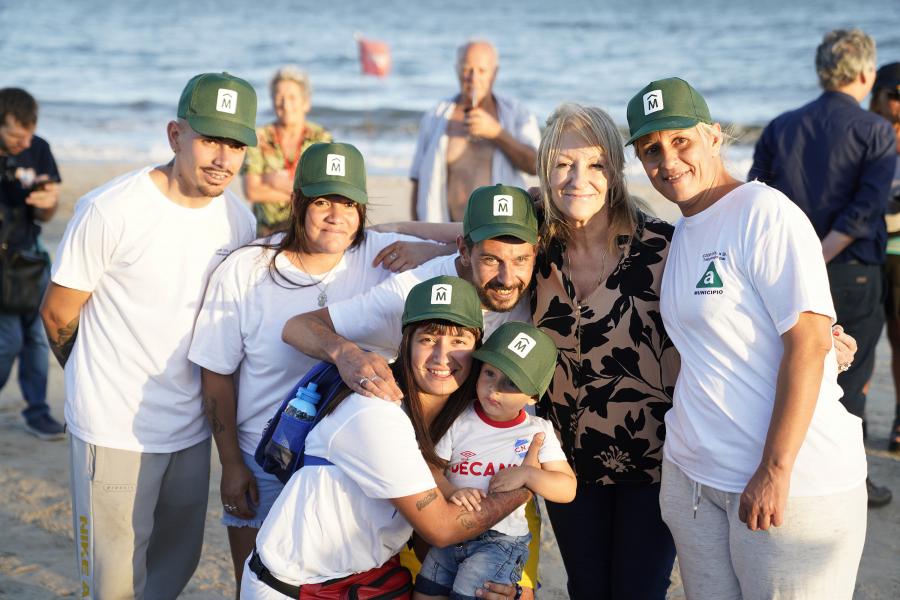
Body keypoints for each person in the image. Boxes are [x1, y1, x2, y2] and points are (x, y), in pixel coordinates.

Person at [629, 76, 868, 598]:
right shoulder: (686, 228)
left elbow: (809, 341)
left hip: (790, 484)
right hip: (696, 480)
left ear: (714, 136)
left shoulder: (764, 212)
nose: (667, 161)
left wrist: (775, 469)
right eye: (651, 150)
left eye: (680, 141)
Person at [189, 141, 450, 594]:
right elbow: (216, 375)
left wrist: (408, 237)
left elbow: (474, 237)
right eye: (323, 201)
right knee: (257, 585)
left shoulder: (386, 255)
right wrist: (231, 463)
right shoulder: (246, 270)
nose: (336, 215)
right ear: (297, 203)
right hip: (262, 461)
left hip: (347, 470)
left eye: (349, 203)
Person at [40, 72, 258, 599]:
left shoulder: (239, 221)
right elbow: (57, 312)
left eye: (235, 145)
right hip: (113, 430)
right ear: (175, 135)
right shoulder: (110, 209)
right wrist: (92, 374)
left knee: (171, 570)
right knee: (112, 585)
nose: (222, 159)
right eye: (209, 139)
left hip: (189, 429)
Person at [281, 186, 543, 598]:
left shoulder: (538, 283)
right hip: (428, 469)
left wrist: (408, 229)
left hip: (502, 470)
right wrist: (347, 354)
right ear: (464, 251)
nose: (508, 278)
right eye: (491, 259)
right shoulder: (413, 293)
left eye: (521, 259)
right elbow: (297, 325)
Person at [243, 276, 533, 600]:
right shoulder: (375, 411)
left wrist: (501, 585)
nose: (441, 356)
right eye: (428, 339)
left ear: (477, 348)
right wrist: (522, 489)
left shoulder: (462, 422)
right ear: (406, 343)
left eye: (458, 341)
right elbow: (441, 528)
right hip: (294, 588)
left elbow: (434, 545)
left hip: (370, 581)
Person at [531, 103, 679, 599]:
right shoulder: (534, 246)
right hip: (567, 468)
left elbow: (731, 297)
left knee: (639, 591)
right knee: (587, 590)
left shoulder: (663, 247)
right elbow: (473, 244)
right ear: (544, 171)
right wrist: (420, 245)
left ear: (614, 171)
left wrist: (824, 328)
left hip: (654, 465)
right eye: (563, 164)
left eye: (595, 164)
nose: (579, 179)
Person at [748, 29, 895, 507]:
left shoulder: (781, 125)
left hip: (782, 275)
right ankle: (847, 478)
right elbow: (866, 209)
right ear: (866, 73)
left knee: (788, 366)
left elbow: (756, 196)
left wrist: (798, 257)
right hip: (850, 270)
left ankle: (783, 464)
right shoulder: (874, 130)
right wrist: (818, 253)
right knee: (849, 378)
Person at [414, 321, 576, 600]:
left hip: (500, 540)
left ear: (534, 394)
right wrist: (453, 491)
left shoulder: (537, 430)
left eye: (512, 382)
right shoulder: (460, 418)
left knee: (470, 593)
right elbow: (432, 468)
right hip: (453, 528)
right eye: (489, 373)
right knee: (426, 590)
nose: (494, 388)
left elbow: (567, 489)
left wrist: (527, 476)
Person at [410, 40, 540, 222]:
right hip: (444, 231)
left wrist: (497, 133)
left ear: (495, 73)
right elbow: (417, 180)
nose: (473, 78)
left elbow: (536, 165)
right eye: (466, 69)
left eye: (482, 71)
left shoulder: (517, 113)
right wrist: (418, 233)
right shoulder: (435, 116)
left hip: (499, 230)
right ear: (456, 70)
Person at [0, 87, 64, 440]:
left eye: (27, 133)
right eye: (14, 134)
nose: (23, 142)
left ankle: (37, 412)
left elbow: (48, 211)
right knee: (8, 340)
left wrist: (46, 202)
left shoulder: (38, 149)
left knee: (37, 339)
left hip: (29, 257)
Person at [242, 65, 331, 235]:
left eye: (292, 97)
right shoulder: (259, 137)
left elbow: (325, 194)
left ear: (306, 103)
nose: (285, 104)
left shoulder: (321, 139)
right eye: (279, 96)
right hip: (265, 232)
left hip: (307, 232)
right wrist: (302, 192)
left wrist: (273, 182)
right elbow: (251, 191)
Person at [870, 61, 900, 455]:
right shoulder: (861, 133)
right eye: (893, 96)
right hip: (861, 250)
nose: (898, 105)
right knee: (854, 341)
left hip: (897, 250)